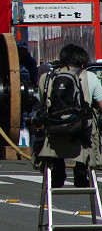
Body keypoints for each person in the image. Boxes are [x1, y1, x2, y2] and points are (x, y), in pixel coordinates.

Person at [34, 44, 102, 189]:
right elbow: (101, 105)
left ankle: (58, 168)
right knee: (92, 117)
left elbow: (42, 104)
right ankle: (80, 169)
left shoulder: (45, 78)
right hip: (81, 135)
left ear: (61, 61)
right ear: (83, 63)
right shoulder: (90, 77)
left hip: (53, 134)